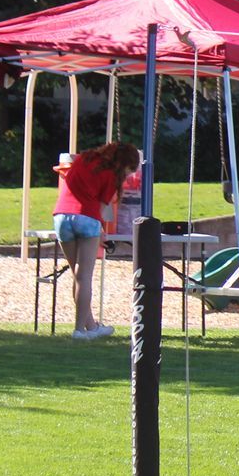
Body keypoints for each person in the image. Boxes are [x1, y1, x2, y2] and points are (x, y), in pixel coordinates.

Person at [50, 141, 141, 340]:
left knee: (78, 275)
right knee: (84, 277)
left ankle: (91, 326)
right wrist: (101, 233)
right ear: (124, 163)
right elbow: (99, 208)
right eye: (130, 170)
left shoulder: (84, 158)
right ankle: (79, 330)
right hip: (87, 218)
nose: (128, 175)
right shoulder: (111, 175)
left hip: (61, 216)